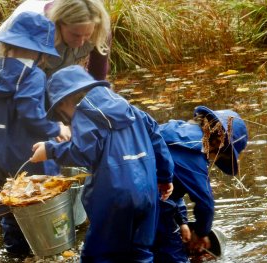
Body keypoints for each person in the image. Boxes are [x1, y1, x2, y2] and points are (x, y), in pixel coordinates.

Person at [29, 65, 175, 262]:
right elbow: (157, 139)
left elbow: (83, 153)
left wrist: (50, 150)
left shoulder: (84, 113)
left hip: (113, 197)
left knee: (98, 255)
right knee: (141, 253)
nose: (66, 118)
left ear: (66, 101)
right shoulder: (131, 109)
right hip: (148, 194)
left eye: (62, 110)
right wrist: (166, 177)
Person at [0, 11, 71, 254]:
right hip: (27, 155)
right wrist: (56, 128)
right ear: (38, 51)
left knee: (5, 203)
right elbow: (30, 112)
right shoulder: (33, 75)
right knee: (37, 200)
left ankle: (12, 249)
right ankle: (44, 250)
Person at [153, 106, 248, 263]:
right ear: (219, 142)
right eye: (219, 156)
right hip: (148, 206)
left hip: (116, 195)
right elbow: (205, 203)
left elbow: (171, 191)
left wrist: (182, 222)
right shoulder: (194, 150)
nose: (211, 160)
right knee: (174, 256)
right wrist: (200, 233)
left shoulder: (171, 128)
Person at [0, 0, 111, 80]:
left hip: (51, 63)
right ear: (59, 23)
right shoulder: (36, 27)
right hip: (5, 60)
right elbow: (25, 87)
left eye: (87, 34)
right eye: (75, 35)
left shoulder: (99, 28)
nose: (81, 42)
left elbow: (97, 76)